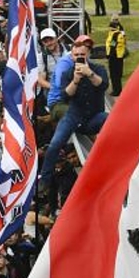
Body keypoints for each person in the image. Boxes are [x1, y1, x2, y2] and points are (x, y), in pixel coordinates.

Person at [40, 34, 108, 186]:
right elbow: (64, 96)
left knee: (110, 119)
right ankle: (44, 179)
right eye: (76, 55)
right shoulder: (67, 72)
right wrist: (76, 80)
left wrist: (89, 73)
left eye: (82, 55)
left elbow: (103, 85)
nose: (79, 58)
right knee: (55, 144)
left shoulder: (99, 69)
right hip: (73, 116)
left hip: (93, 117)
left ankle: (109, 159)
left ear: (88, 54)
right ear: (71, 56)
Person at [105, 17, 127, 96]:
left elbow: (112, 46)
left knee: (114, 75)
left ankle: (116, 90)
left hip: (114, 57)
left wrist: (109, 56)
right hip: (119, 56)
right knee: (117, 74)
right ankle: (118, 89)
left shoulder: (115, 35)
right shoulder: (120, 33)